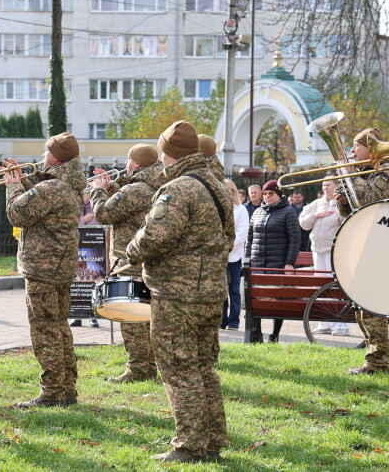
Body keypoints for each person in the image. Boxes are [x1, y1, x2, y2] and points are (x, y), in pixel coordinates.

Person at [127, 121, 234, 463]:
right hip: (211, 290)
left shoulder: (179, 188)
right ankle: (213, 439)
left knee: (177, 367)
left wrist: (130, 251)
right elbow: (228, 236)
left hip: (177, 294)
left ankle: (189, 445)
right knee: (203, 366)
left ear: (165, 153)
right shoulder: (217, 184)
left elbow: (155, 236)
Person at [2, 132, 85, 408]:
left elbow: (18, 213)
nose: (41, 155)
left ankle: (51, 392)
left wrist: (12, 185)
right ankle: (67, 388)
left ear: (55, 157)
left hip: (42, 268)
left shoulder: (52, 188)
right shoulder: (67, 184)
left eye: (46, 151)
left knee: (44, 329)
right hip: (59, 267)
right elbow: (40, 205)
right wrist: (24, 180)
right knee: (59, 326)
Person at [89, 143, 163, 383]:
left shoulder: (137, 189)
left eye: (129, 160)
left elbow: (104, 214)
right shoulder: (156, 184)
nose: (125, 164)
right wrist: (111, 186)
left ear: (138, 164)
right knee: (148, 317)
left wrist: (98, 190)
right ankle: (149, 365)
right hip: (149, 261)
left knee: (131, 318)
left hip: (128, 262)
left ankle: (139, 369)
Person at [337, 127, 389, 375]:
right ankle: (372, 358)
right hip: (365, 243)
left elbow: (370, 199)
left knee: (372, 306)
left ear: (371, 147)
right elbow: (354, 210)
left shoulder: (386, 171)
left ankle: (377, 363)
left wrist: (351, 175)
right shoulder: (365, 173)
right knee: (361, 304)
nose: (352, 151)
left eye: (356, 146)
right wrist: (343, 202)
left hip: (383, 245)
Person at [245, 180, 300, 343]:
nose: (267, 196)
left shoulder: (288, 212)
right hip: (257, 263)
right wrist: (248, 260)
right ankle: (256, 333)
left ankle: (275, 335)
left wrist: (289, 262)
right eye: (265, 193)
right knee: (256, 298)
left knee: (278, 300)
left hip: (277, 263)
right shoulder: (257, 212)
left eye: (271, 193)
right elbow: (250, 239)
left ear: (279, 195)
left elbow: (295, 239)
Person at [299, 179, 347, 335]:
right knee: (320, 285)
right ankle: (325, 323)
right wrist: (316, 215)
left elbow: (346, 222)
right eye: (323, 185)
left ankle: (341, 325)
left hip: (334, 250)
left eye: (329, 185)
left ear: (337, 187)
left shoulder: (341, 203)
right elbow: (303, 223)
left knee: (335, 284)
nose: (325, 188)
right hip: (317, 249)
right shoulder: (317, 203)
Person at [221, 179, 249, 331]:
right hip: (219, 255)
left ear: (232, 191)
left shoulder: (241, 209)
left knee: (233, 290)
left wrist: (227, 246)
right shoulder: (218, 208)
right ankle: (222, 320)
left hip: (234, 256)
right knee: (221, 289)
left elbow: (242, 233)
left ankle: (233, 321)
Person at [71, 189, 99, 327]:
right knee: (76, 283)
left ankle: (93, 315)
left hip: (90, 252)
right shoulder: (72, 206)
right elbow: (70, 224)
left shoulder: (94, 204)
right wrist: (84, 220)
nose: (82, 196)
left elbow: (98, 224)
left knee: (92, 282)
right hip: (75, 249)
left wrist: (88, 219)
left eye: (85, 193)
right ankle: (76, 315)